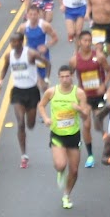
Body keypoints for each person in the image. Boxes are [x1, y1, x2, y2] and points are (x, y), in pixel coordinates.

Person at [37, 63, 85, 209]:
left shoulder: (79, 93)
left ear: (72, 77)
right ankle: (60, 171)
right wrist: (46, 118)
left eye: (67, 76)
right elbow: (41, 105)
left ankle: (66, 195)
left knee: (74, 170)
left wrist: (79, 109)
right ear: (58, 77)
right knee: (60, 165)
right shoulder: (51, 92)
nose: (65, 79)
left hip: (73, 135)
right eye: (62, 77)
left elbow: (85, 114)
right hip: (57, 135)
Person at [4, 31, 43, 168]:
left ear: (21, 42)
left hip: (32, 91)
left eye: (16, 41)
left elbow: (46, 63)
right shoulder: (9, 56)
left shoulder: (31, 54)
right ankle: (24, 155)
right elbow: (4, 69)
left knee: (30, 125)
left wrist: (44, 79)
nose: (13, 44)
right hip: (18, 92)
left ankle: (31, 116)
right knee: (20, 123)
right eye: (11, 42)